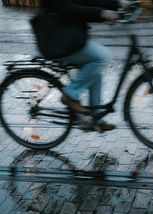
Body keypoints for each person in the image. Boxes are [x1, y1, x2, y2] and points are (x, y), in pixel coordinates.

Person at [37, 0, 130, 131]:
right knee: (103, 57)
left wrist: (117, 4)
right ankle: (70, 95)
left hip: (69, 39)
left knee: (95, 73)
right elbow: (68, 8)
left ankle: (95, 119)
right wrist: (102, 13)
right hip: (59, 42)